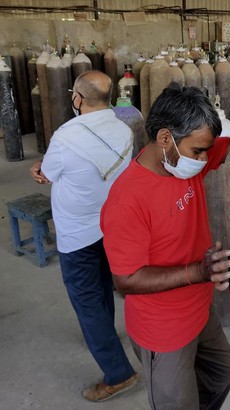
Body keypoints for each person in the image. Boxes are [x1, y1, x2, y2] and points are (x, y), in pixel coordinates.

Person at [100, 82, 230, 409]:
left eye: (206, 150)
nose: (205, 159)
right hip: (163, 331)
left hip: (200, 313)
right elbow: (126, 280)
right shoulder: (127, 200)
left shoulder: (183, 162)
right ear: (165, 138)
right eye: (198, 151)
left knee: (224, 380)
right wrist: (199, 271)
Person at [29, 70, 138, 401]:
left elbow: (47, 173)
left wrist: (38, 171)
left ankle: (118, 374)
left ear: (77, 98)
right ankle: (105, 332)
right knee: (103, 283)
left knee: (86, 298)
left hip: (78, 234)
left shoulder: (65, 137)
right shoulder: (122, 127)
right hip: (113, 226)